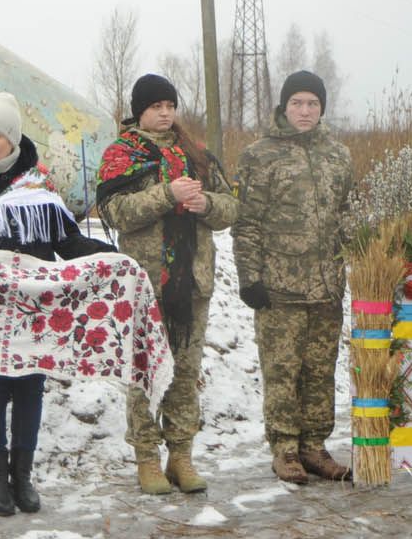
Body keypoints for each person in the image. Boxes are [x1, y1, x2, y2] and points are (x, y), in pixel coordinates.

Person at [0, 92, 115, 516]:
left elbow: (65, 241)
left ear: (13, 139)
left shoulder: (38, 187)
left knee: (30, 391)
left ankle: (23, 477)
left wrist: (108, 258)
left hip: (33, 310)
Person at [96, 74, 238, 495]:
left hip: (192, 282)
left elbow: (231, 208)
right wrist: (167, 194)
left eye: (170, 106)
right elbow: (115, 211)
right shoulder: (121, 154)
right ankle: (147, 459)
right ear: (140, 110)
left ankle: (181, 456)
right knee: (144, 374)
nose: (165, 113)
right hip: (146, 284)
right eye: (156, 106)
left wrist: (204, 203)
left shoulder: (196, 154)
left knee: (185, 373)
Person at [232, 71, 354, 484]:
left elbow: (346, 216)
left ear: (322, 109)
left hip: (326, 286)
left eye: (313, 104)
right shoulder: (260, 155)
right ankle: (285, 450)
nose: (305, 111)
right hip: (279, 287)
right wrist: (250, 278)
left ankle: (315, 447)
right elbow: (246, 222)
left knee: (321, 370)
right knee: (283, 372)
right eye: (298, 103)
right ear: (284, 107)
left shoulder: (338, 155)